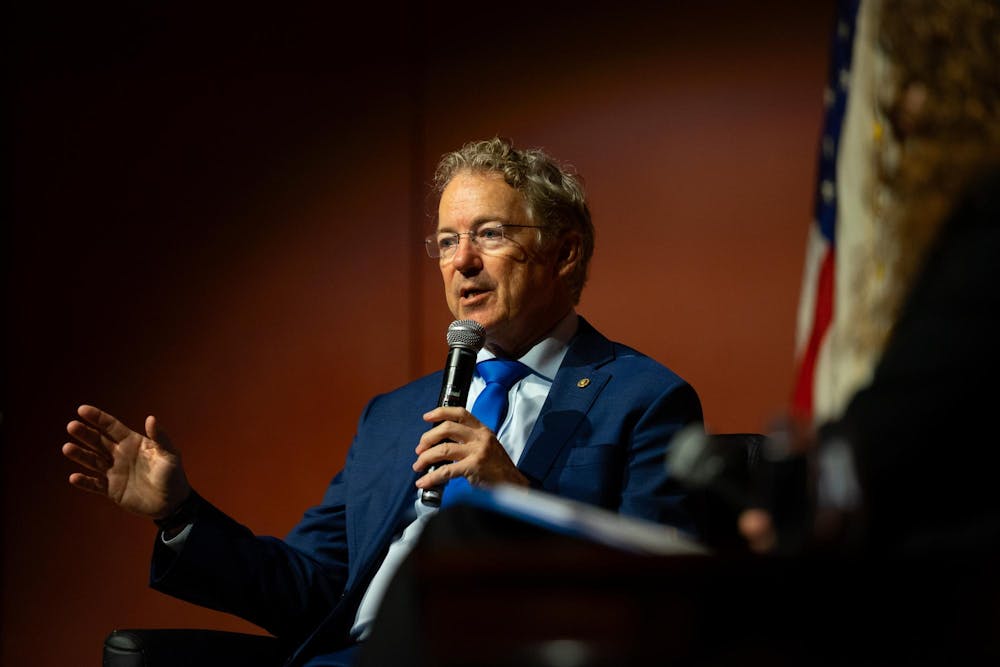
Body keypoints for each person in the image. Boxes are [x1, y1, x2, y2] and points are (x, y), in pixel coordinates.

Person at [63, 137, 703, 667]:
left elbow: (661, 601)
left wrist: (517, 496)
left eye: (489, 233)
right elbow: (308, 588)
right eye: (448, 242)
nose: (464, 262)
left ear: (565, 253)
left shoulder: (644, 399)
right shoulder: (395, 415)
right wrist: (179, 513)